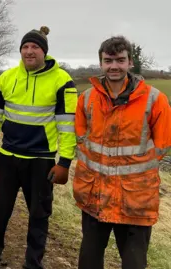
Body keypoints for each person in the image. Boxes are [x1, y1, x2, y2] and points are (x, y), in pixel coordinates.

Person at [0, 26, 78, 269]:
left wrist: (64, 162)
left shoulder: (62, 81)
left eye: (35, 47)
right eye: (25, 47)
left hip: (41, 160)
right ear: (20, 51)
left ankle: (33, 263)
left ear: (44, 51)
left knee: (39, 215)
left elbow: (68, 126)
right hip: (8, 156)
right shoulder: (6, 78)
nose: (29, 51)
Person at [73, 35, 171, 269]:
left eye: (119, 60)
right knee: (88, 261)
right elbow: (81, 141)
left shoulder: (155, 100)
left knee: (134, 263)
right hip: (95, 195)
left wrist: (129, 174)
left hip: (135, 201)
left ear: (130, 63)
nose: (114, 66)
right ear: (101, 63)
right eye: (108, 60)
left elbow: (162, 145)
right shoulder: (87, 98)